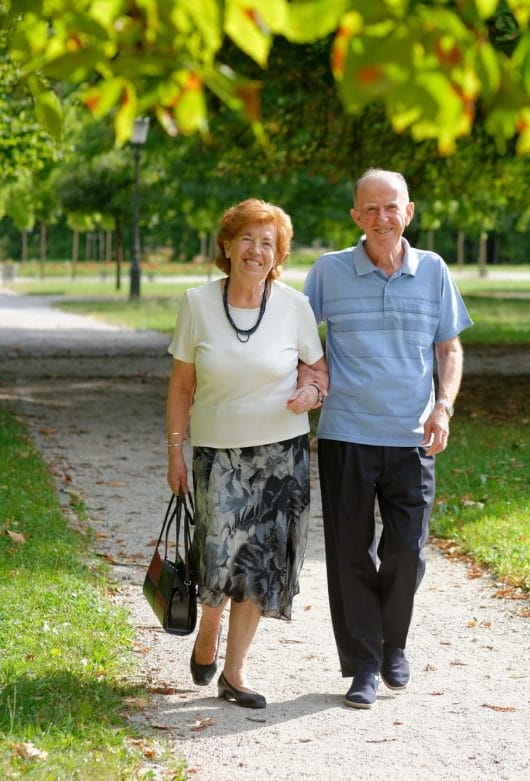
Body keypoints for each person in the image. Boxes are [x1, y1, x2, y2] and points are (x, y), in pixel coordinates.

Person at [303, 169, 473, 709]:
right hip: (347, 435)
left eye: (391, 207)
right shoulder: (329, 272)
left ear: (409, 212)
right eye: (370, 209)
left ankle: (392, 641)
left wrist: (443, 406)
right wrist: (319, 374)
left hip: (413, 436)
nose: (382, 218)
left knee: (406, 549)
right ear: (356, 216)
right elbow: (302, 341)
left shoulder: (434, 271)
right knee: (350, 552)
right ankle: (365, 666)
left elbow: (449, 348)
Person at [165, 198, 328, 709]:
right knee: (219, 555)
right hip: (219, 455)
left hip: (282, 455)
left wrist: (313, 393)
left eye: (268, 243)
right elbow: (181, 386)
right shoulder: (196, 304)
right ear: (227, 246)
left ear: (277, 254)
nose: (257, 251)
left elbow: (317, 370)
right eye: (247, 240)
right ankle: (206, 629)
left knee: (258, 564)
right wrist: (175, 452)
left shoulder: (294, 306)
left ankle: (234, 675)